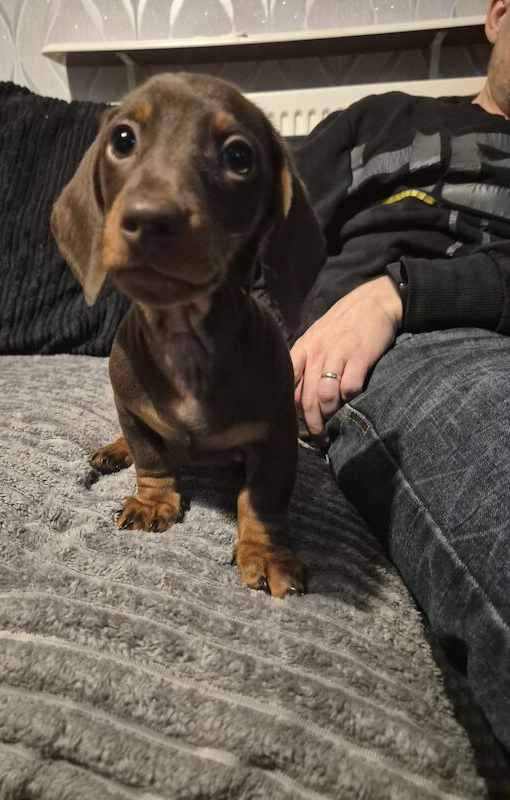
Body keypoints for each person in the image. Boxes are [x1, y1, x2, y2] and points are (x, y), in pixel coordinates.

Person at [290, 0, 510, 750]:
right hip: (431, 357)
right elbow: (255, 245)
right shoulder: (380, 122)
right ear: (498, 13)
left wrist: (403, 291)